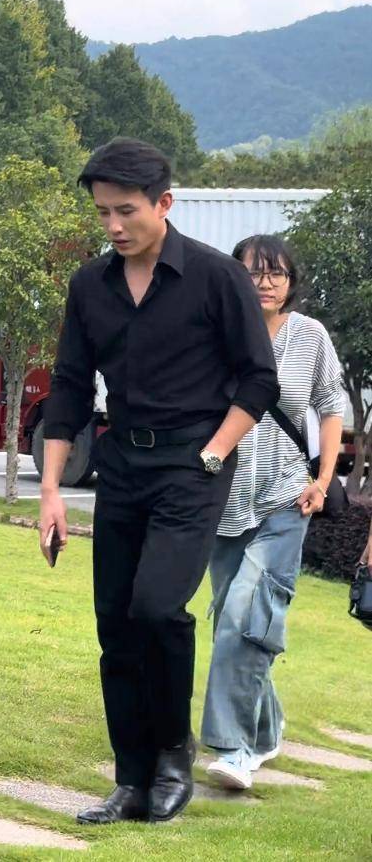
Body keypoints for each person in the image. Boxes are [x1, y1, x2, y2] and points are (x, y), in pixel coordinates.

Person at [40, 138, 279, 824]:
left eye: (126, 211)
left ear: (163, 203)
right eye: (102, 213)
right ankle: (130, 779)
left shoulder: (215, 277)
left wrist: (214, 454)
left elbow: (257, 379)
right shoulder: (90, 285)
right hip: (121, 464)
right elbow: (69, 386)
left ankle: (173, 757)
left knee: (155, 607)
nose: (114, 226)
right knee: (115, 622)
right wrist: (51, 492)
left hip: (193, 466)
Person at [201, 234, 345, 791]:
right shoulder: (216, 331)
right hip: (224, 496)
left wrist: (323, 480)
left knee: (248, 611)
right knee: (230, 619)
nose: (265, 283)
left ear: (290, 282)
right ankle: (266, 727)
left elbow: (330, 406)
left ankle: (235, 749)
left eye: (276, 273)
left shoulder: (310, 336)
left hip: (287, 494)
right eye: (253, 272)